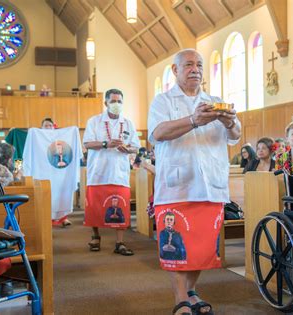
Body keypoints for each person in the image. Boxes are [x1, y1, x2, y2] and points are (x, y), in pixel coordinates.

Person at [148, 49, 241, 315]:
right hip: (177, 185)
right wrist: (193, 120)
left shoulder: (215, 101)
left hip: (210, 184)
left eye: (199, 65)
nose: (195, 69)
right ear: (175, 70)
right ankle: (180, 299)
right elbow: (158, 133)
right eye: (188, 64)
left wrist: (229, 120)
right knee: (176, 243)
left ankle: (191, 290)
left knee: (201, 246)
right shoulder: (163, 101)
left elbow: (235, 135)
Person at [83, 88, 140, 256]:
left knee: (121, 205)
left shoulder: (128, 123)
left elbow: (136, 146)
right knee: (95, 204)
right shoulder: (94, 121)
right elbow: (87, 143)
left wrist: (127, 149)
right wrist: (105, 144)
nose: (117, 104)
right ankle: (95, 236)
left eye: (119, 101)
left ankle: (119, 242)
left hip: (119, 172)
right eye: (113, 101)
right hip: (99, 171)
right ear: (106, 103)